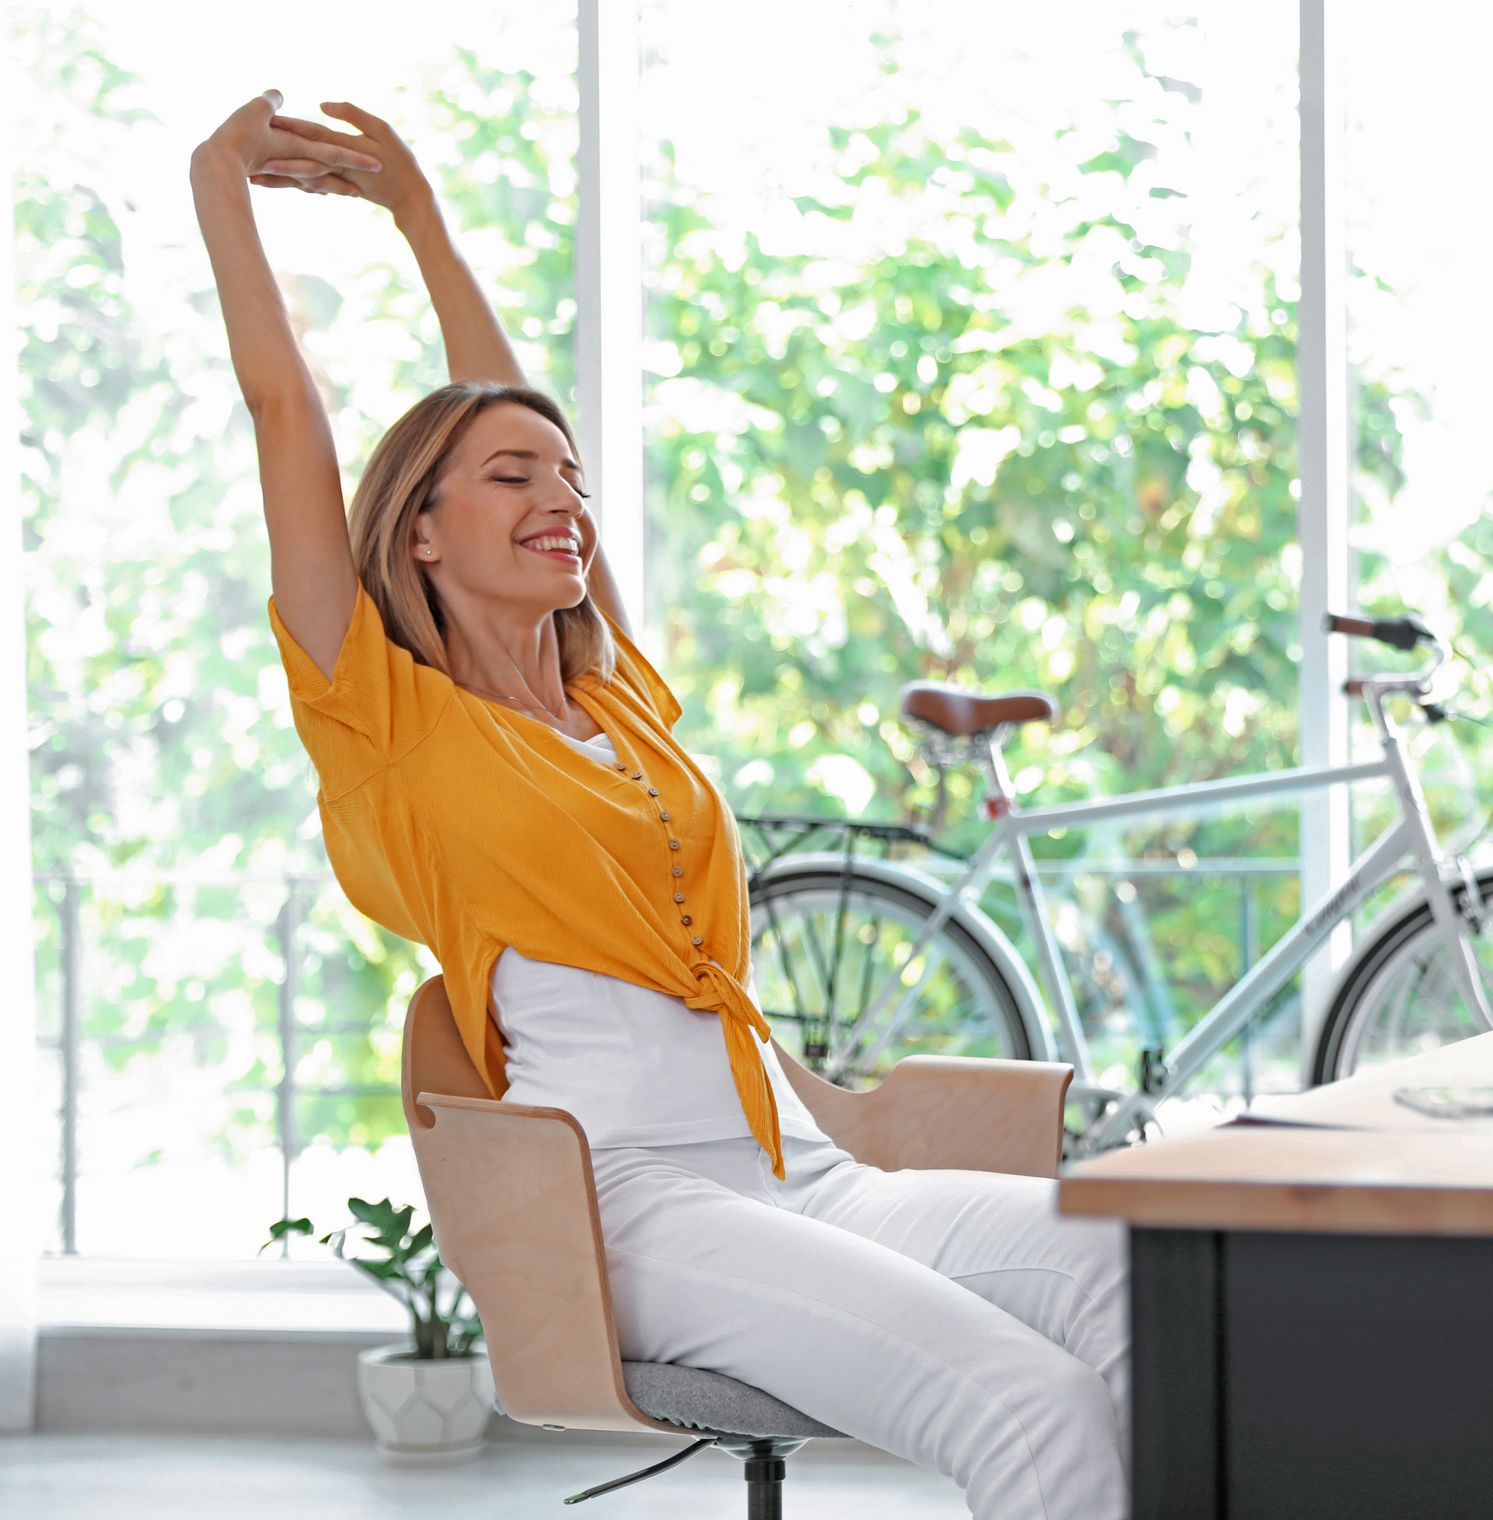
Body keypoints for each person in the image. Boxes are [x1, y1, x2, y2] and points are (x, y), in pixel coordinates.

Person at [190, 90, 1128, 1519]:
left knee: (1152, 1287)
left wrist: (424, 220)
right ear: (419, 533)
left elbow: (501, 410)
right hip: (629, 1201)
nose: (558, 494)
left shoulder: (611, 689)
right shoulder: (384, 722)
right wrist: (219, 181)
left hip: (806, 1169)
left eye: (567, 473)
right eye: (513, 479)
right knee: (1033, 1407)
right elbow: (284, 417)